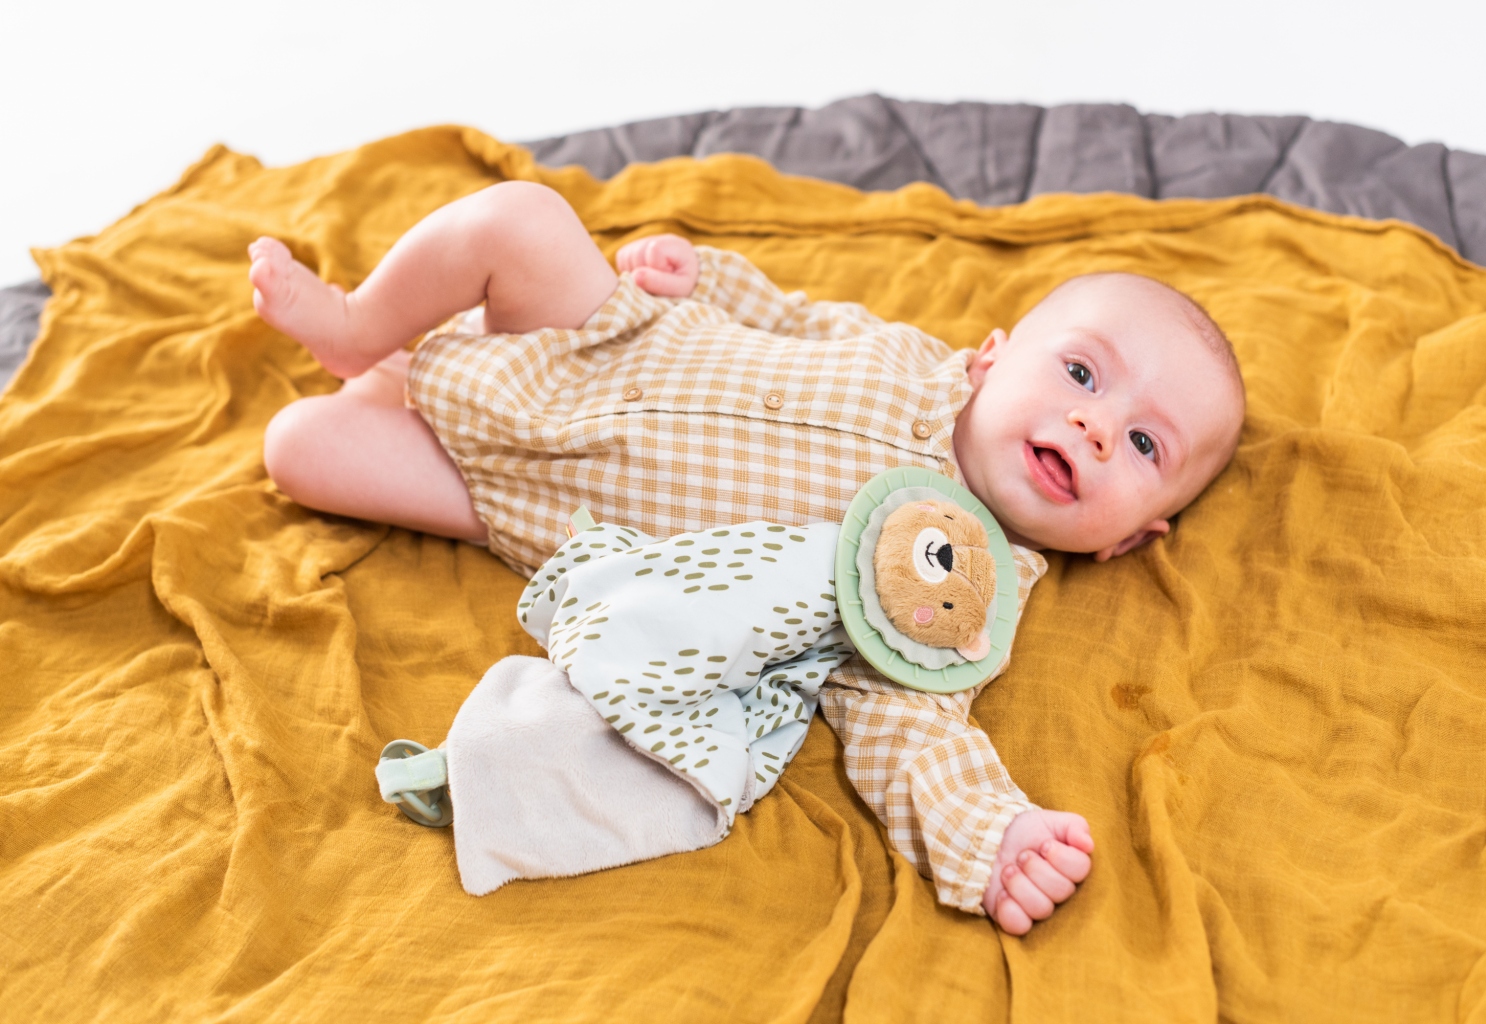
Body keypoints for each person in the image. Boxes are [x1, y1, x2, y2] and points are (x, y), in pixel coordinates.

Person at [248, 179, 1246, 936]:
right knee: (522, 218)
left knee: (299, 449)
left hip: (531, 502)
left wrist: (990, 836)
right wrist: (702, 278)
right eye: (1080, 372)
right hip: (605, 338)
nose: (1095, 426)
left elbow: (908, 729)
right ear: (992, 357)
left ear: (1128, 538)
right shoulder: (908, 356)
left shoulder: (952, 596)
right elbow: (791, 315)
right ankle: (360, 329)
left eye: (1144, 444)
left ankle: (410, 377)